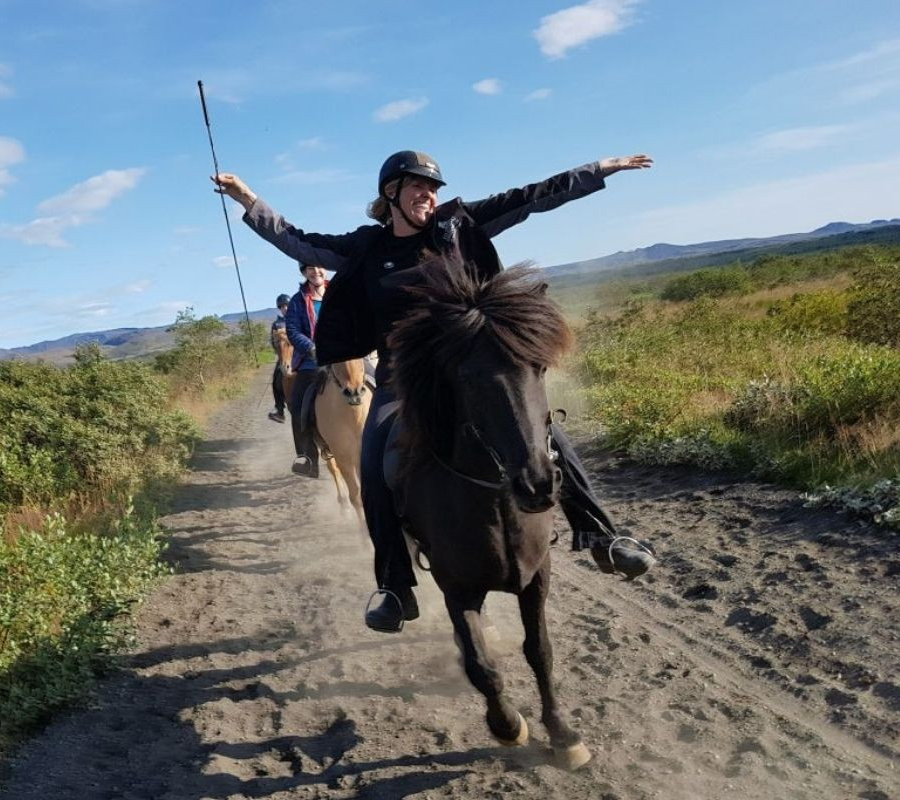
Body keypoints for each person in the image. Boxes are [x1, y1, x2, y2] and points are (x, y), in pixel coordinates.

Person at [213, 150, 657, 633]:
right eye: (418, 187)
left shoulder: (458, 225)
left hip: (471, 366)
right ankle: (394, 586)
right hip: (404, 378)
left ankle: (599, 535)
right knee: (374, 462)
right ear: (392, 194)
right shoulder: (364, 248)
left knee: (538, 432)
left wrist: (598, 170)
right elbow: (299, 242)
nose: (429, 195)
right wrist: (249, 200)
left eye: (434, 188)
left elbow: (531, 197)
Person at [284, 262, 328, 478]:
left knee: (381, 384)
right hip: (312, 363)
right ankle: (308, 459)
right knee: (297, 408)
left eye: (319, 266)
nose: (316, 271)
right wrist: (310, 347)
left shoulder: (339, 292)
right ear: (304, 272)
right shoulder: (297, 300)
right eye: (309, 268)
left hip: (345, 357)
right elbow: (292, 329)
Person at [268, 293, 291, 423]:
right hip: (284, 355)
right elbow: (273, 342)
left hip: (301, 354)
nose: (285, 308)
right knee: (276, 380)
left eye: (287, 305)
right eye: (282, 306)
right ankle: (280, 410)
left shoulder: (298, 319)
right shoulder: (277, 324)